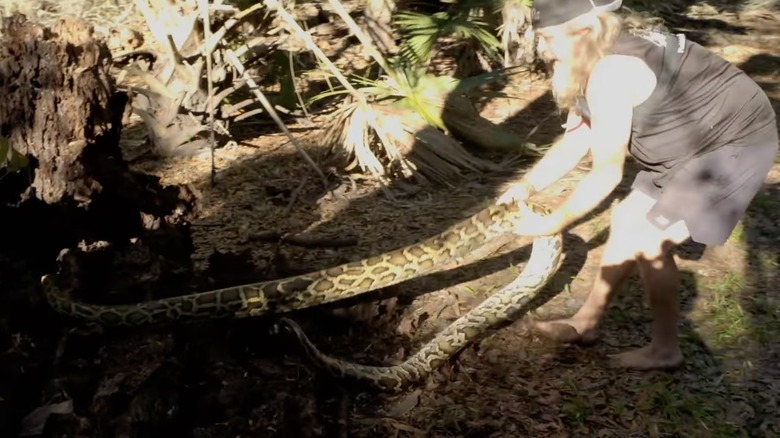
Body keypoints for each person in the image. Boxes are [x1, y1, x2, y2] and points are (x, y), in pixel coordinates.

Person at [496, 0, 778, 370]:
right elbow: (579, 139)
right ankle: (587, 322)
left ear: (583, 31)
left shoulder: (611, 72)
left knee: (650, 243)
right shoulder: (584, 59)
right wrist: (528, 185)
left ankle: (665, 350)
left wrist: (555, 222)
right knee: (628, 217)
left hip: (735, 143)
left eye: (548, 38)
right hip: (687, 140)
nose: (542, 49)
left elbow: (607, 172)